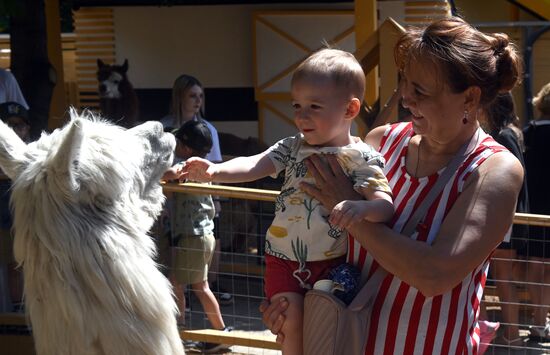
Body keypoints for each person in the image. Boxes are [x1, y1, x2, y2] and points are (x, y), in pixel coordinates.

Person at [260, 17, 524, 354]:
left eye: (421, 91)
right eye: (405, 83)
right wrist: (290, 307)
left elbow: (434, 275)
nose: (406, 98)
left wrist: (350, 209)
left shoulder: (493, 169)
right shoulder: (381, 142)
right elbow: (330, 250)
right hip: (345, 344)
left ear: (469, 98)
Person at [182, 48, 394, 355]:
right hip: (282, 257)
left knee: (324, 330)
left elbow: (384, 206)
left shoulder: (362, 158)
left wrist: (361, 207)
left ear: (350, 109)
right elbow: (256, 164)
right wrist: (214, 170)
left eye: (314, 107)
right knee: (290, 321)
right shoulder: (293, 146)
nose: (301, 116)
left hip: (330, 263)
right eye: (297, 105)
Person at [160, 74, 232, 304]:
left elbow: (216, 165)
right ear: (179, 96)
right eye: (192, 95)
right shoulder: (165, 127)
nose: (197, 100)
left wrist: (217, 197)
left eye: (201, 96)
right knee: (173, 244)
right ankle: (180, 297)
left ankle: (207, 287)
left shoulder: (208, 129)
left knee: (208, 241)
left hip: (200, 198)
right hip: (171, 196)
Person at [161, 120, 232, 353]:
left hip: (194, 235)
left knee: (186, 285)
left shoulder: (190, 166)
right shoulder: (202, 166)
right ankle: (213, 333)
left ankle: (186, 332)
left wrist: (156, 174)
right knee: (191, 285)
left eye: (179, 142)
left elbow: (169, 174)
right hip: (199, 235)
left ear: (187, 148)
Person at [478, 92, 529, 350]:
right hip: (506, 218)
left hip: (505, 220)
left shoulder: (504, 135)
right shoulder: (512, 132)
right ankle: (507, 333)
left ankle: (512, 335)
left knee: (502, 277)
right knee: (498, 276)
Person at [523, 82, 550, 341]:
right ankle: (543, 320)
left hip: (534, 207)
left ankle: (539, 320)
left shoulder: (530, 131)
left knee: (535, 263)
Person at [0, 102, 30, 313]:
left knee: (18, 268)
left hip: (23, 228)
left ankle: (19, 317)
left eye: (19, 125)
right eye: (7, 125)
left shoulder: (35, 155)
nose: (14, 130)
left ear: (27, 129)